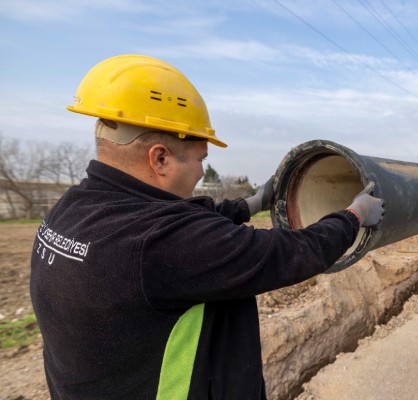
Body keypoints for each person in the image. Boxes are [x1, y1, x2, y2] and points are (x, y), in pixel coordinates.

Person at [29, 54, 385, 399]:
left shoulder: (73, 209)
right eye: (201, 159)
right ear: (160, 158)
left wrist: (248, 205)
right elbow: (287, 253)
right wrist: (352, 216)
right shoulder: (163, 244)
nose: (202, 172)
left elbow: (177, 222)